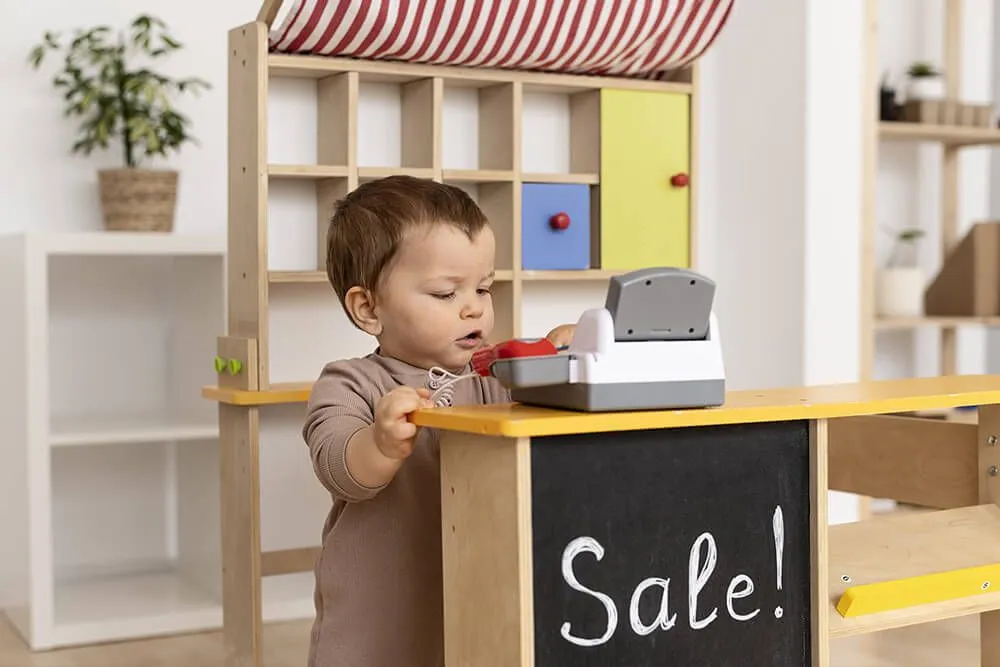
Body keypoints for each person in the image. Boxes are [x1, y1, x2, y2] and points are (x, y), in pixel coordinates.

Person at [301, 175, 574, 667]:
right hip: (378, 617)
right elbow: (337, 465)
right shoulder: (350, 383)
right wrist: (379, 445)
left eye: (484, 288)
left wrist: (558, 361)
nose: (475, 306)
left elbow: (545, 426)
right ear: (368, 308)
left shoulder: (494, 377)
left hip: (474, 595)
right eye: (447, 294)